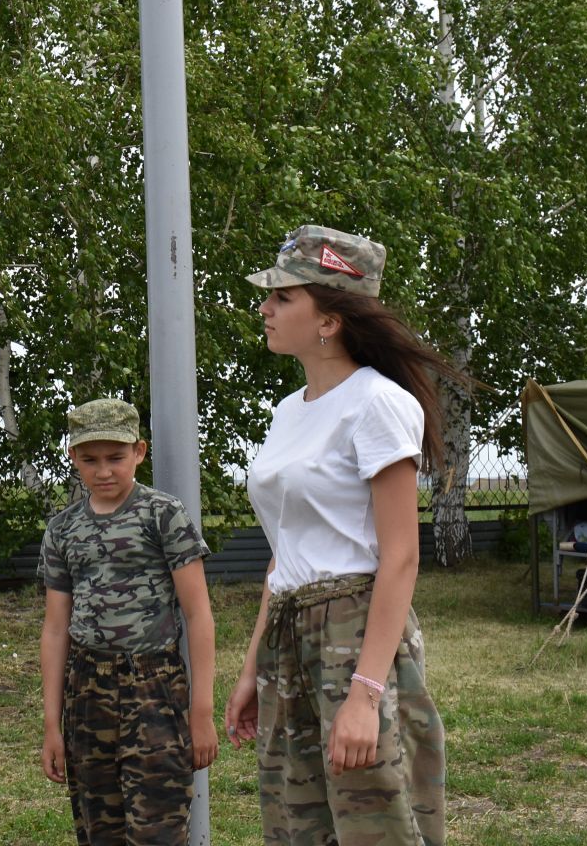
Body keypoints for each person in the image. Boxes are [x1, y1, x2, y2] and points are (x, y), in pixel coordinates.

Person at [223, 225, 455, 846]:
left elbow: (401, 559)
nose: (265, 309)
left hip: (355, 635)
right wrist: (251, 668)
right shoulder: (288, 411)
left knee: (374, 822)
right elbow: (285, 556)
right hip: (288, 636)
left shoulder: (376, 404)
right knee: (298, 825)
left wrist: (366, 694)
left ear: (329, 318)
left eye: (283, 297)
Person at [38, 398, 218, 846]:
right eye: (90, 459)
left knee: (157, 827)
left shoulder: (163, 514)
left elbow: (198, 615)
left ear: (139, 452)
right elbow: (56, 629)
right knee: (100, 829)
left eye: (116, 458)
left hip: (154, 690)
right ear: (73, 457)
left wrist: (202, 713)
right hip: (87, 692)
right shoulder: (62, 530)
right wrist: (50, 725)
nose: (103, 471)